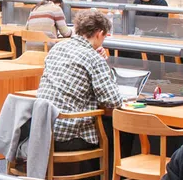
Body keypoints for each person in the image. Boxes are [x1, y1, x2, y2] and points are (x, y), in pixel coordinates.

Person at [36, 9, 121, 153]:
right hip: (69, 135)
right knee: (120, 132)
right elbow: (113, 101)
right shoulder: (93, 58)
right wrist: (102, 62)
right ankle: (112, 176)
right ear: (99, 33)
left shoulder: (58, 47)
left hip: (42, 130)